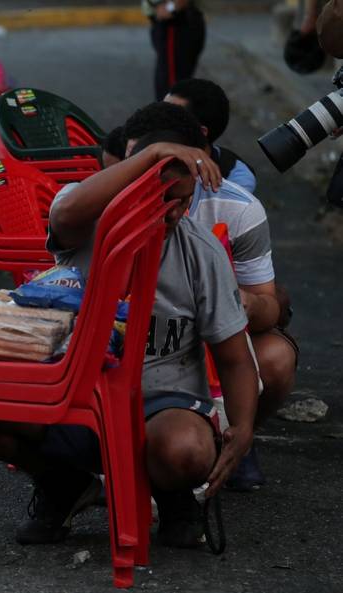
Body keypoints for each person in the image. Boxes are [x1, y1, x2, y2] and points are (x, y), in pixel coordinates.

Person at [0, 132, 259, 549]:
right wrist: (153, 154)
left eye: (184, 199)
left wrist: (244, 427)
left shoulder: (200, 252)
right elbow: (65, 212)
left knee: (187, 452)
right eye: (163, 196)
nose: (174, 211)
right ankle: (64, 484)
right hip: (66, 389)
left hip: (158, 402)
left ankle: (172, 497)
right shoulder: (88, 217)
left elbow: (233, 356)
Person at [124, 102, 297, 491]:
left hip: (203, 341)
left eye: (178, 198)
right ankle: (66, 484)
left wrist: (240, 305)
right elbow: (67, 221)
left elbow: (267, 307)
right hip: (131, 348)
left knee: (272, 356)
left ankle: (230, 438)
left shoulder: (235, 211)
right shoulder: (99, 206)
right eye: (134, 161)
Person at [165, 78, 256, 192]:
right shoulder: (147, 148)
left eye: (169, 118)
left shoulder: (235, 176)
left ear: (199, 132)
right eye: (159, 109)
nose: (157, 118)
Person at [143, 0, 206, 100]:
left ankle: (173, 114)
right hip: (172, 21)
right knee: (170, 85)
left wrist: (169, 7)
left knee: (172, 89)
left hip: (176, 23)